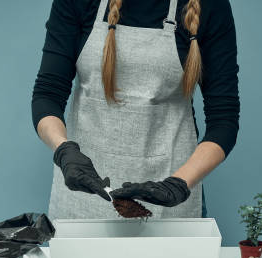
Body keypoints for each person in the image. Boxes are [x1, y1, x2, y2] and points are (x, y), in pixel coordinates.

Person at [32, 0, 239, 219]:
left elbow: (223, 120)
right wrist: (64, 150)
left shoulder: (209, 5)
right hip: (82, 195)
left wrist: (178, 185)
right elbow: (48, 94)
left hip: (170, 194)